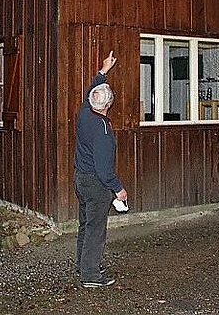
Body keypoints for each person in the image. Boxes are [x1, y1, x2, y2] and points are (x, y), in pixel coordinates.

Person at [74, 50, 128, 287]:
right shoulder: (104, 131)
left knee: (85, 224)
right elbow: (105, 170)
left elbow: (89, 93)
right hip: (96, 184)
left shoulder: (84, 113)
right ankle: (91, 276)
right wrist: (119, 190)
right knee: (96, 229)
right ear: (107, 105)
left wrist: (103, 71)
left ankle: (83, 265)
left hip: (80, 178)